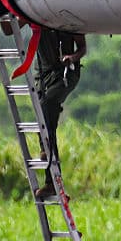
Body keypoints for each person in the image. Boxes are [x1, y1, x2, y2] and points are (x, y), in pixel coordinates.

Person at [34, 27, 86, 199]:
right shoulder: (35, 13)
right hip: (43, 75)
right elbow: (8, 30)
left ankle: (46, 150)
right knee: (47, 120)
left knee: (46, 105)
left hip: (65, 73)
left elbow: (82, 47)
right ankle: (52, 184)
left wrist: (73, 57)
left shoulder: (67, 14)